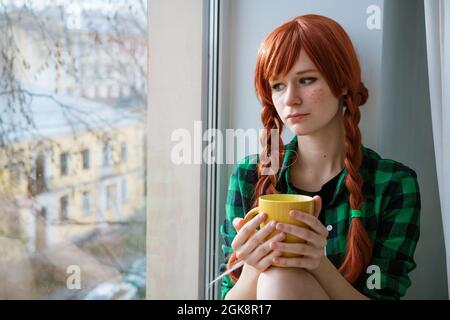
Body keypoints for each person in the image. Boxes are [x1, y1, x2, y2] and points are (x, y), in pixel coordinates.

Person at [220, 14, 420, 300]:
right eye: (277, 85)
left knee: (281, 280)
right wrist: (253, 267)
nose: (290, 99)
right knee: (278, 279)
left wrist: (319, 264)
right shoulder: (249, 176)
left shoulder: (393, 183)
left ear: (341, 83)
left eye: (306, 80)